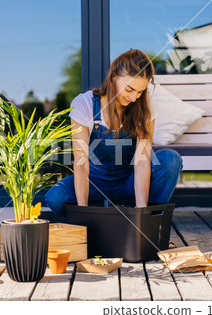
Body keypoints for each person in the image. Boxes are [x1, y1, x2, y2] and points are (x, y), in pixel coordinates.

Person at [45, 49, 182, 217]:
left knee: (171, 159)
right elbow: (81, 163)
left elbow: (142, 161)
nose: (134, 98)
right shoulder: (84, 104)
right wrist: (84, 214)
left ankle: (151, 218)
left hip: (128, 182)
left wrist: (141, 214)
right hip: (94, 183)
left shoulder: (144, 107)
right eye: (129, 89)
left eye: (140, 92)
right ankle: (100, 211)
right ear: (113, 78)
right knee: (56, 197)